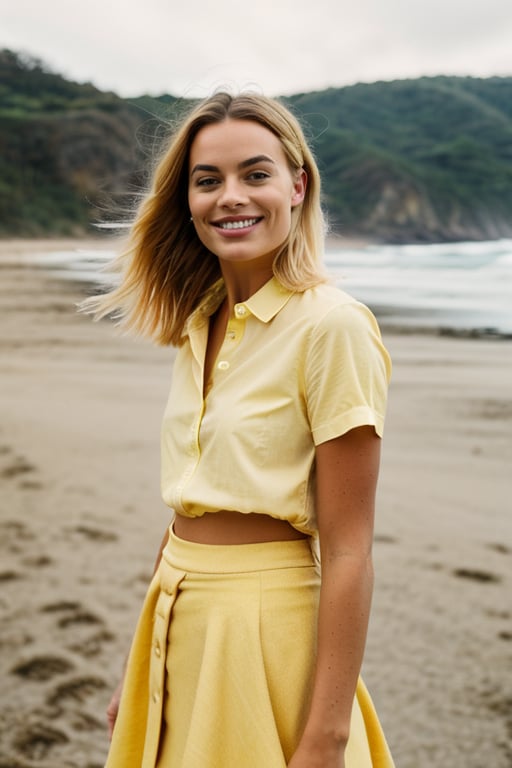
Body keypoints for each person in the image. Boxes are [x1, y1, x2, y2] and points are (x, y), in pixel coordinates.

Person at [89, 91, 394, 767]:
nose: (231, 197)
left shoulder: (332, 327)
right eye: (208, 181)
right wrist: (135, 667)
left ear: (297, 184)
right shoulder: (199, 322)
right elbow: (188, 506)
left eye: (255, 174)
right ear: (186, 200)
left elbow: (349, 551)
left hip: (265, 632)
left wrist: (328, 735)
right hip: (175, 614)